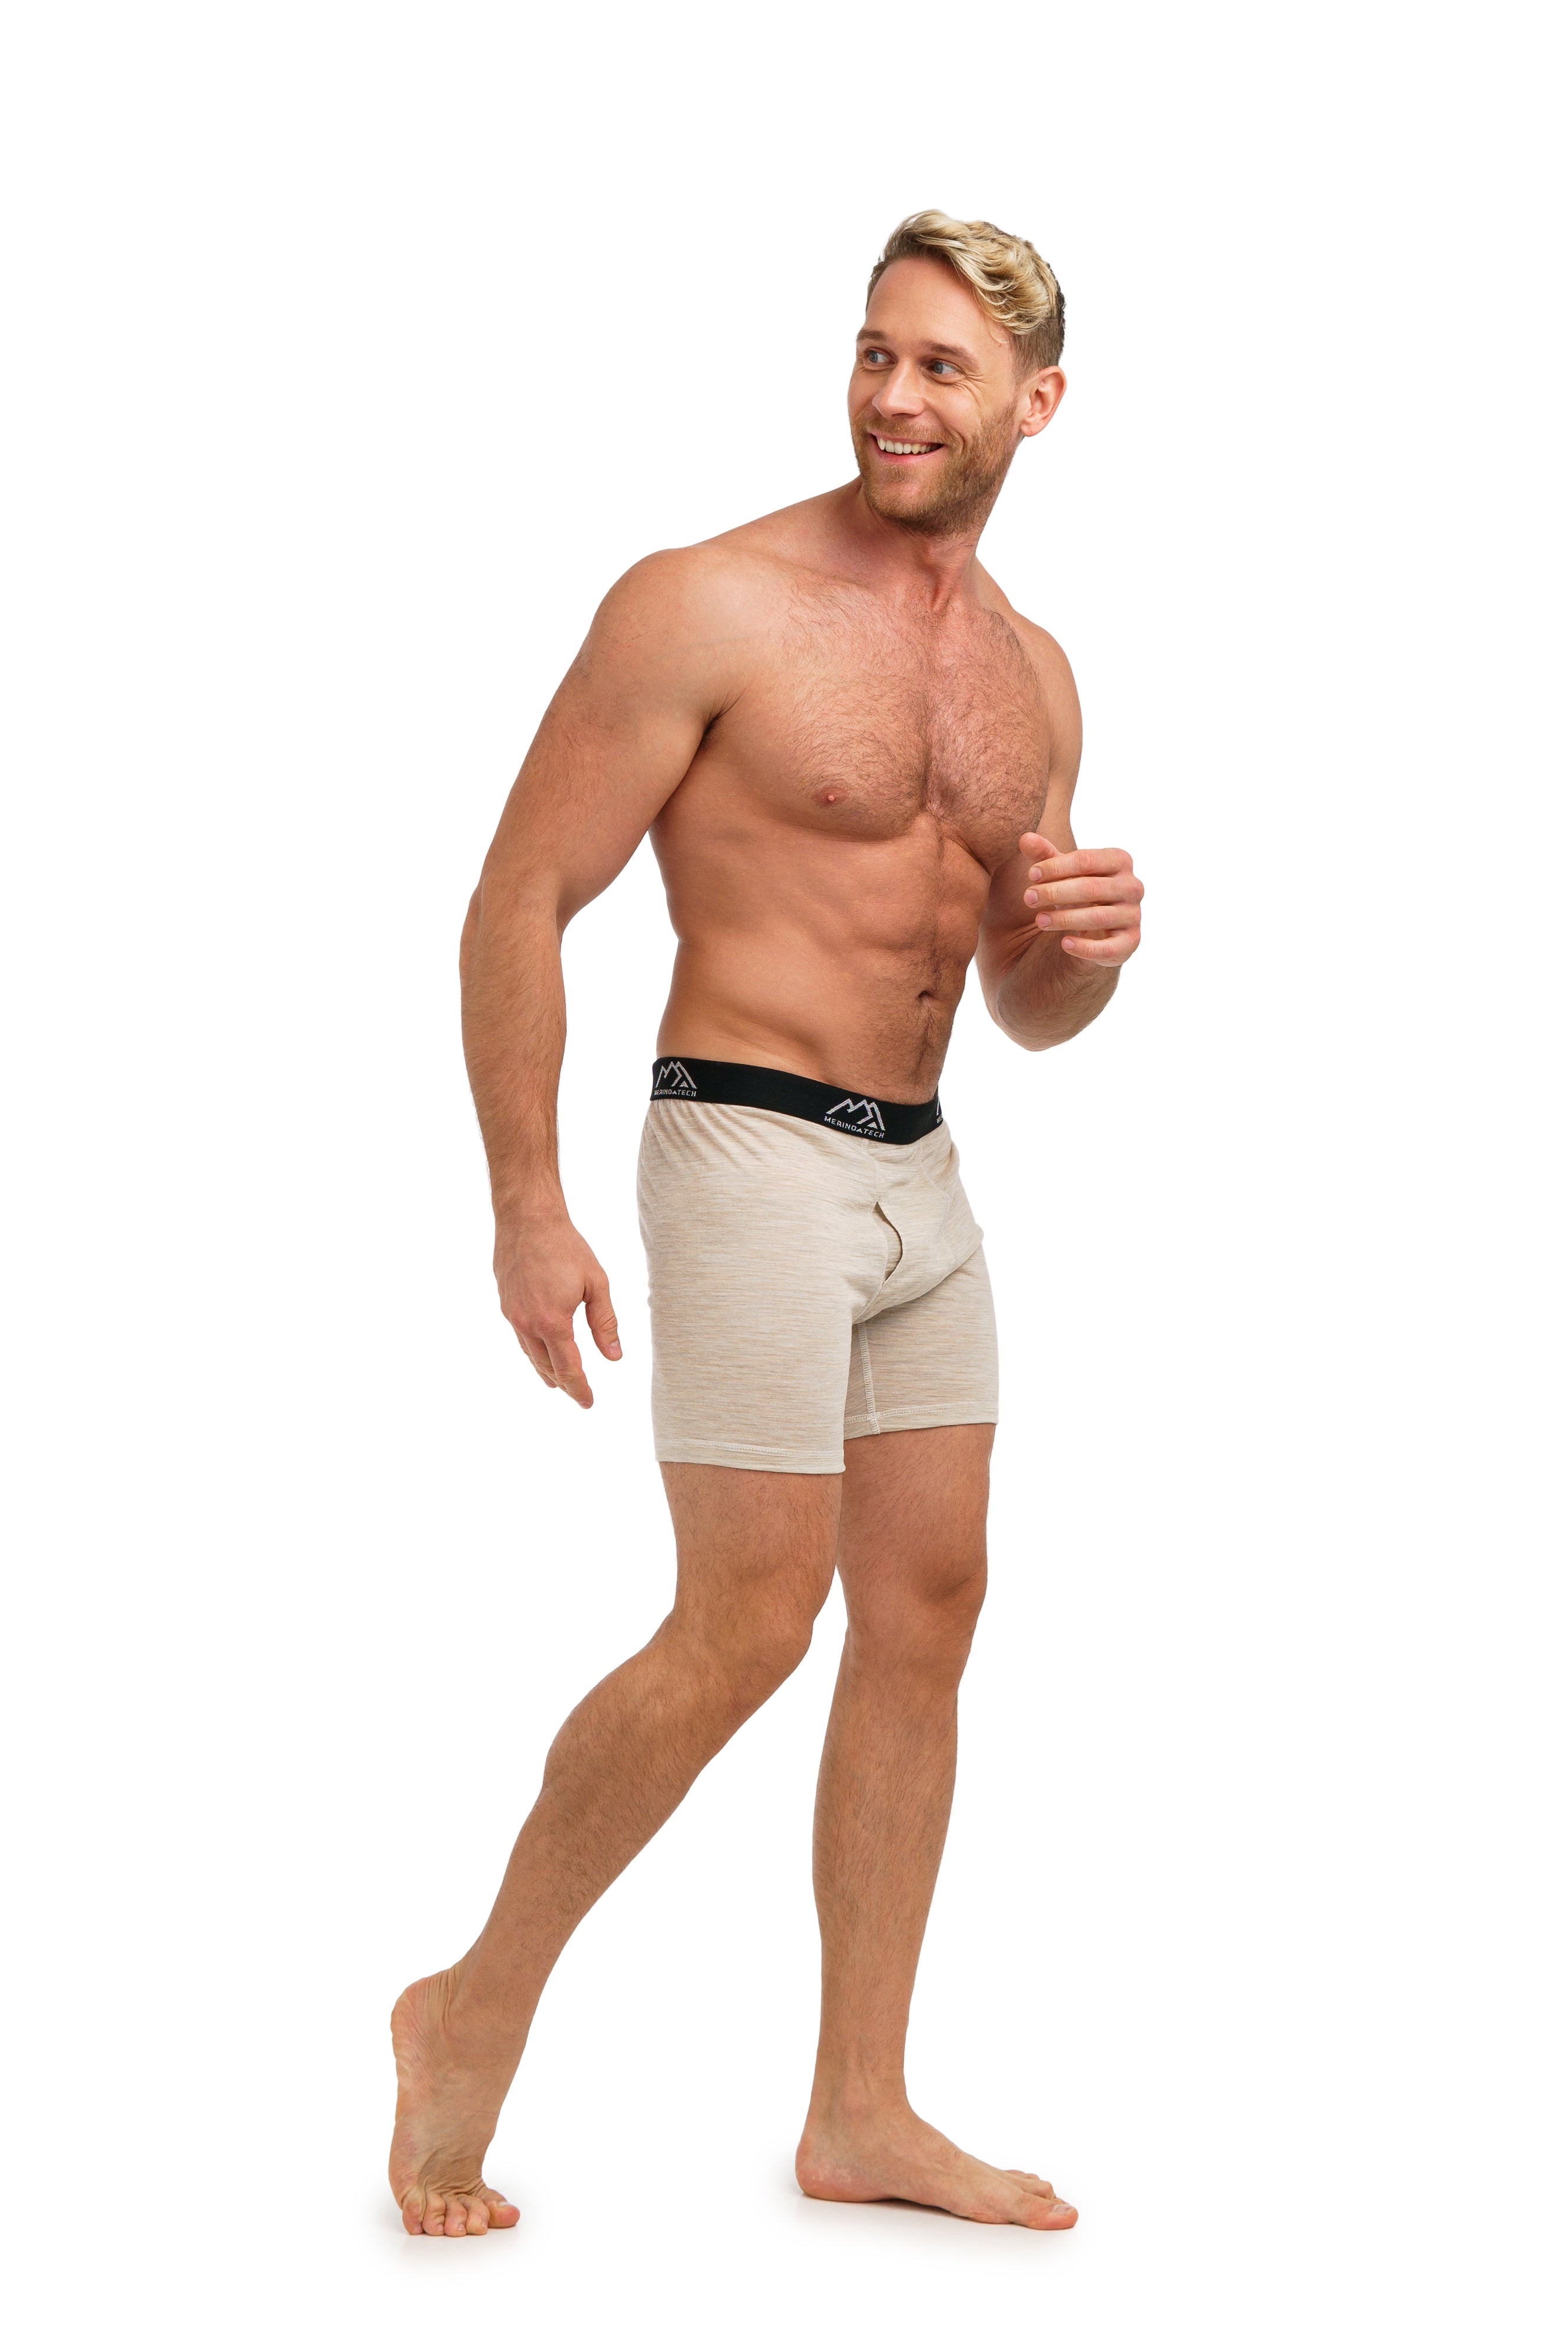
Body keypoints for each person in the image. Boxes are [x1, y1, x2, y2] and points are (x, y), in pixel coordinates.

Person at [390, 209, 1143, 2237]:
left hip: (922, 1173)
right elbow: (517, 897)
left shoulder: (1033, 678)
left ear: (1035, 406)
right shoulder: (704, 604)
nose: (893, 396)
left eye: (941, 369)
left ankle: (860, 2110)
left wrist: (1078, 953)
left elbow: (1019, 1006)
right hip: (741, 1143)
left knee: (927, 1608)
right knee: (744, 1623)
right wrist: (526, 1201)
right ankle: (465, 2011)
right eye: (875, 352)